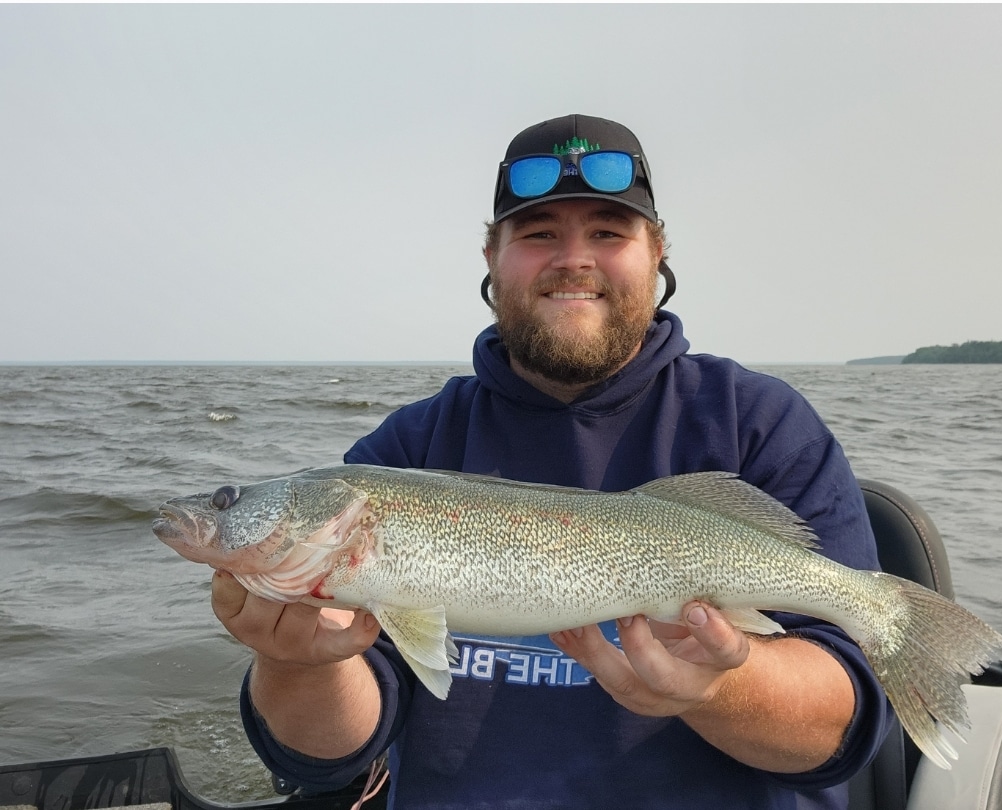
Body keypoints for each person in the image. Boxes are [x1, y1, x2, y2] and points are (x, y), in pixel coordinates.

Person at [211, 114, 894, 809]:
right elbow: (331, 754)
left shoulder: (759, 423)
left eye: (607, 231)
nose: (573, 258)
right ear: (491, 256)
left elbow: (841, 732)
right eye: (538, 234)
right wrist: (295, 660)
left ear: (655, 252)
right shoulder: (404, 452)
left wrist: (721, 683)